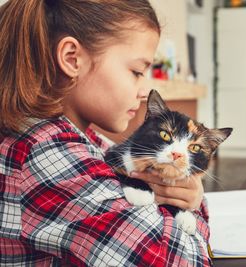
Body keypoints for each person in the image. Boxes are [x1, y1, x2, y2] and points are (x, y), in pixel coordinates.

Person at [0, 0, 211, 266]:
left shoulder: (86, 139)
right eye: (136, 72)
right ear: (71, 59)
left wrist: (187, 198)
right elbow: (183, 260)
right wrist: (197, 212)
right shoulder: (49, 153)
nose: (144, 90)